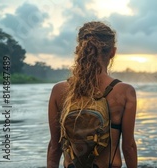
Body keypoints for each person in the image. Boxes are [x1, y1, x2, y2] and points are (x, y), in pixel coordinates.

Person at [47, 21, 138, 168]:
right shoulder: (125, 91)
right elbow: (129, 148)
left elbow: (54, 147)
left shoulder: (59, 90)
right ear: (113, 52)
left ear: (78, 50)